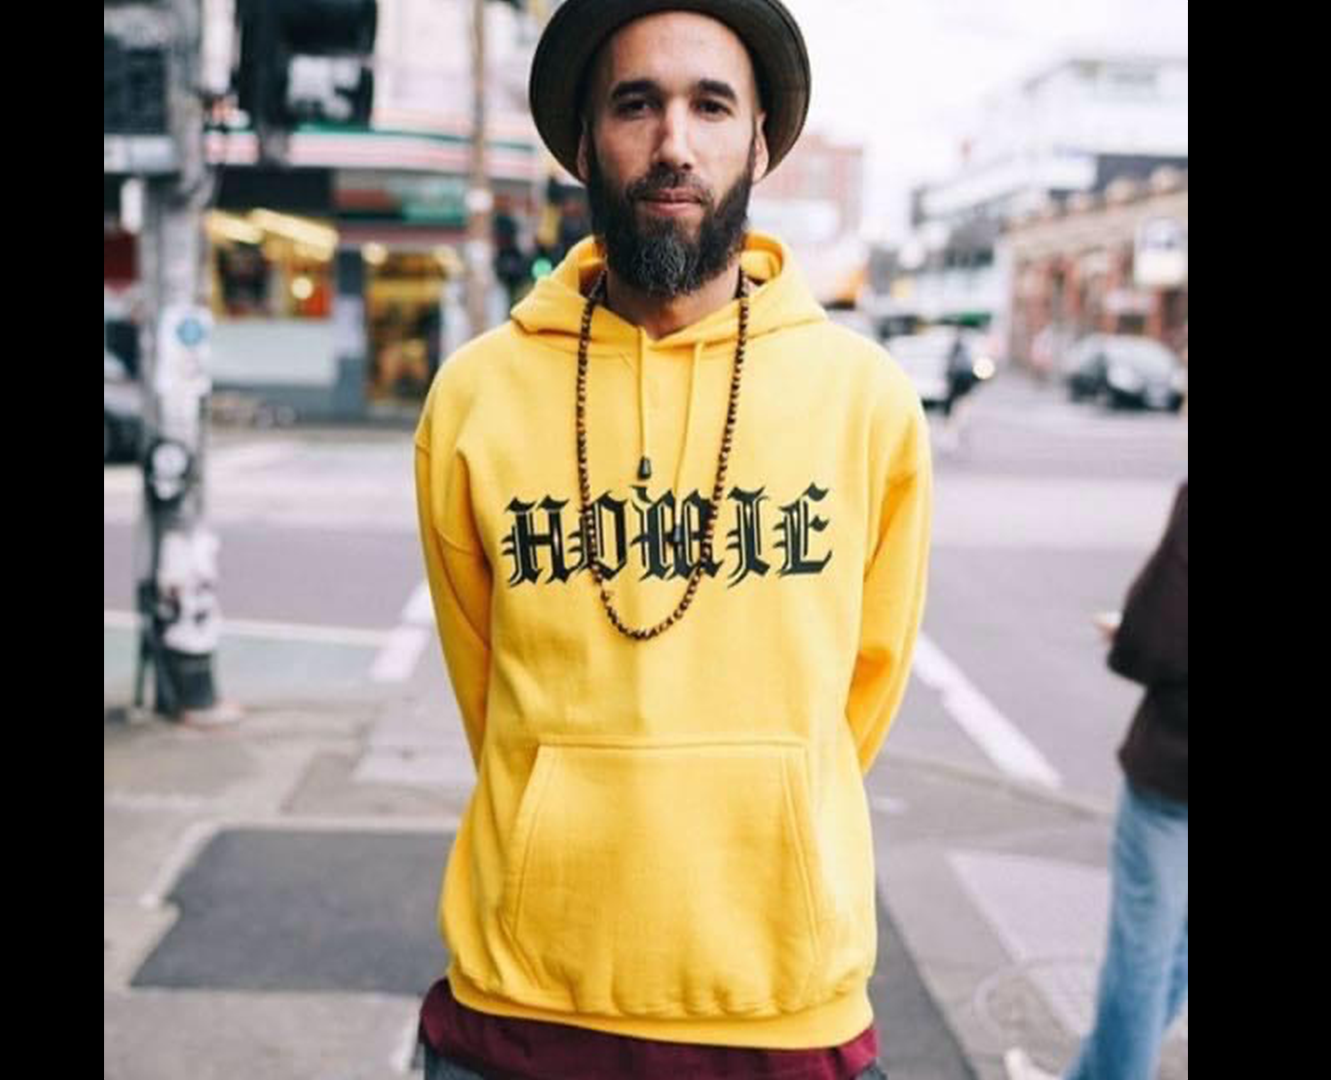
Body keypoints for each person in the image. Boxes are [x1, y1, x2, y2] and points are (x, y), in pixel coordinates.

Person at [410, 2, 932, 1076]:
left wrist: (764, 809)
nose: (674, 144)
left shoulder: (865, 402)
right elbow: (486, 686)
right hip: (522, 1005)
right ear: (584, 140)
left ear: (762, 141)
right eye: (635, 104)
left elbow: (859, 695)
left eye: (711, 105)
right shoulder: (476, 398)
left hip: (782, 1007)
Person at [1006, 481, 1188, 1080]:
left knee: (1142, 957)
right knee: (1178, 954)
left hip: (1175, 768)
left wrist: (1124, 635)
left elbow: (1154, 637)